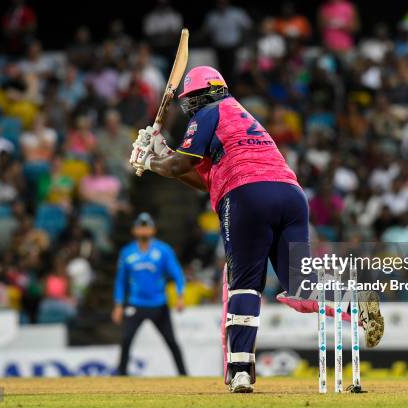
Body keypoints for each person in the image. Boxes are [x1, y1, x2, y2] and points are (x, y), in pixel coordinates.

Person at [129, 66, 383, 393]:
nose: (188, 108)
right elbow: (201, 178)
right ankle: (354, 299)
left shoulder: (207, 113)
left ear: (201, 96)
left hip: (248, 195)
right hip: (291, 196)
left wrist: (149, 161)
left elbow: (182, 165)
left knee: (245, 285)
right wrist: (162, 154)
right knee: (300, 287)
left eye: (189, 100)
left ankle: (240, 372)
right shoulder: (240, 116)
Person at [112, 213, 187, 377]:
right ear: (134, 230)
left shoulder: (163, 250)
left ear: (153, 230)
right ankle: (121, 375)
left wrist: (180, 296)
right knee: (126, 340)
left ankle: (184, 375)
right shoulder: (127, 252)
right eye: (140, 226)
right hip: (135, 304)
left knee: (172, 342)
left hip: (159, 304)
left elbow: (177, 274)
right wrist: (118, 305)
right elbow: (120, 280)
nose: (144, 230)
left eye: (147, 226)